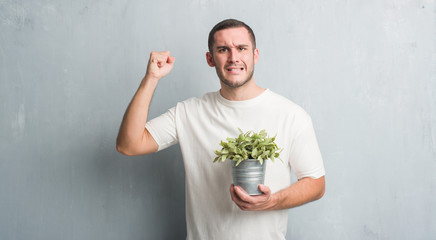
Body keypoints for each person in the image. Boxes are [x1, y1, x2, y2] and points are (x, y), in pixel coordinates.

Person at [117, 19, 325, 240]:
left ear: (255, 55)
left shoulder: (290, 114)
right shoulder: (189, 113)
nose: (233, 57)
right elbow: (129, 144)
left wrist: (271, 201)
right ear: (210, 58)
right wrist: (151, 78)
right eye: (223, 49)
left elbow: (316, 184)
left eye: (241, 48)